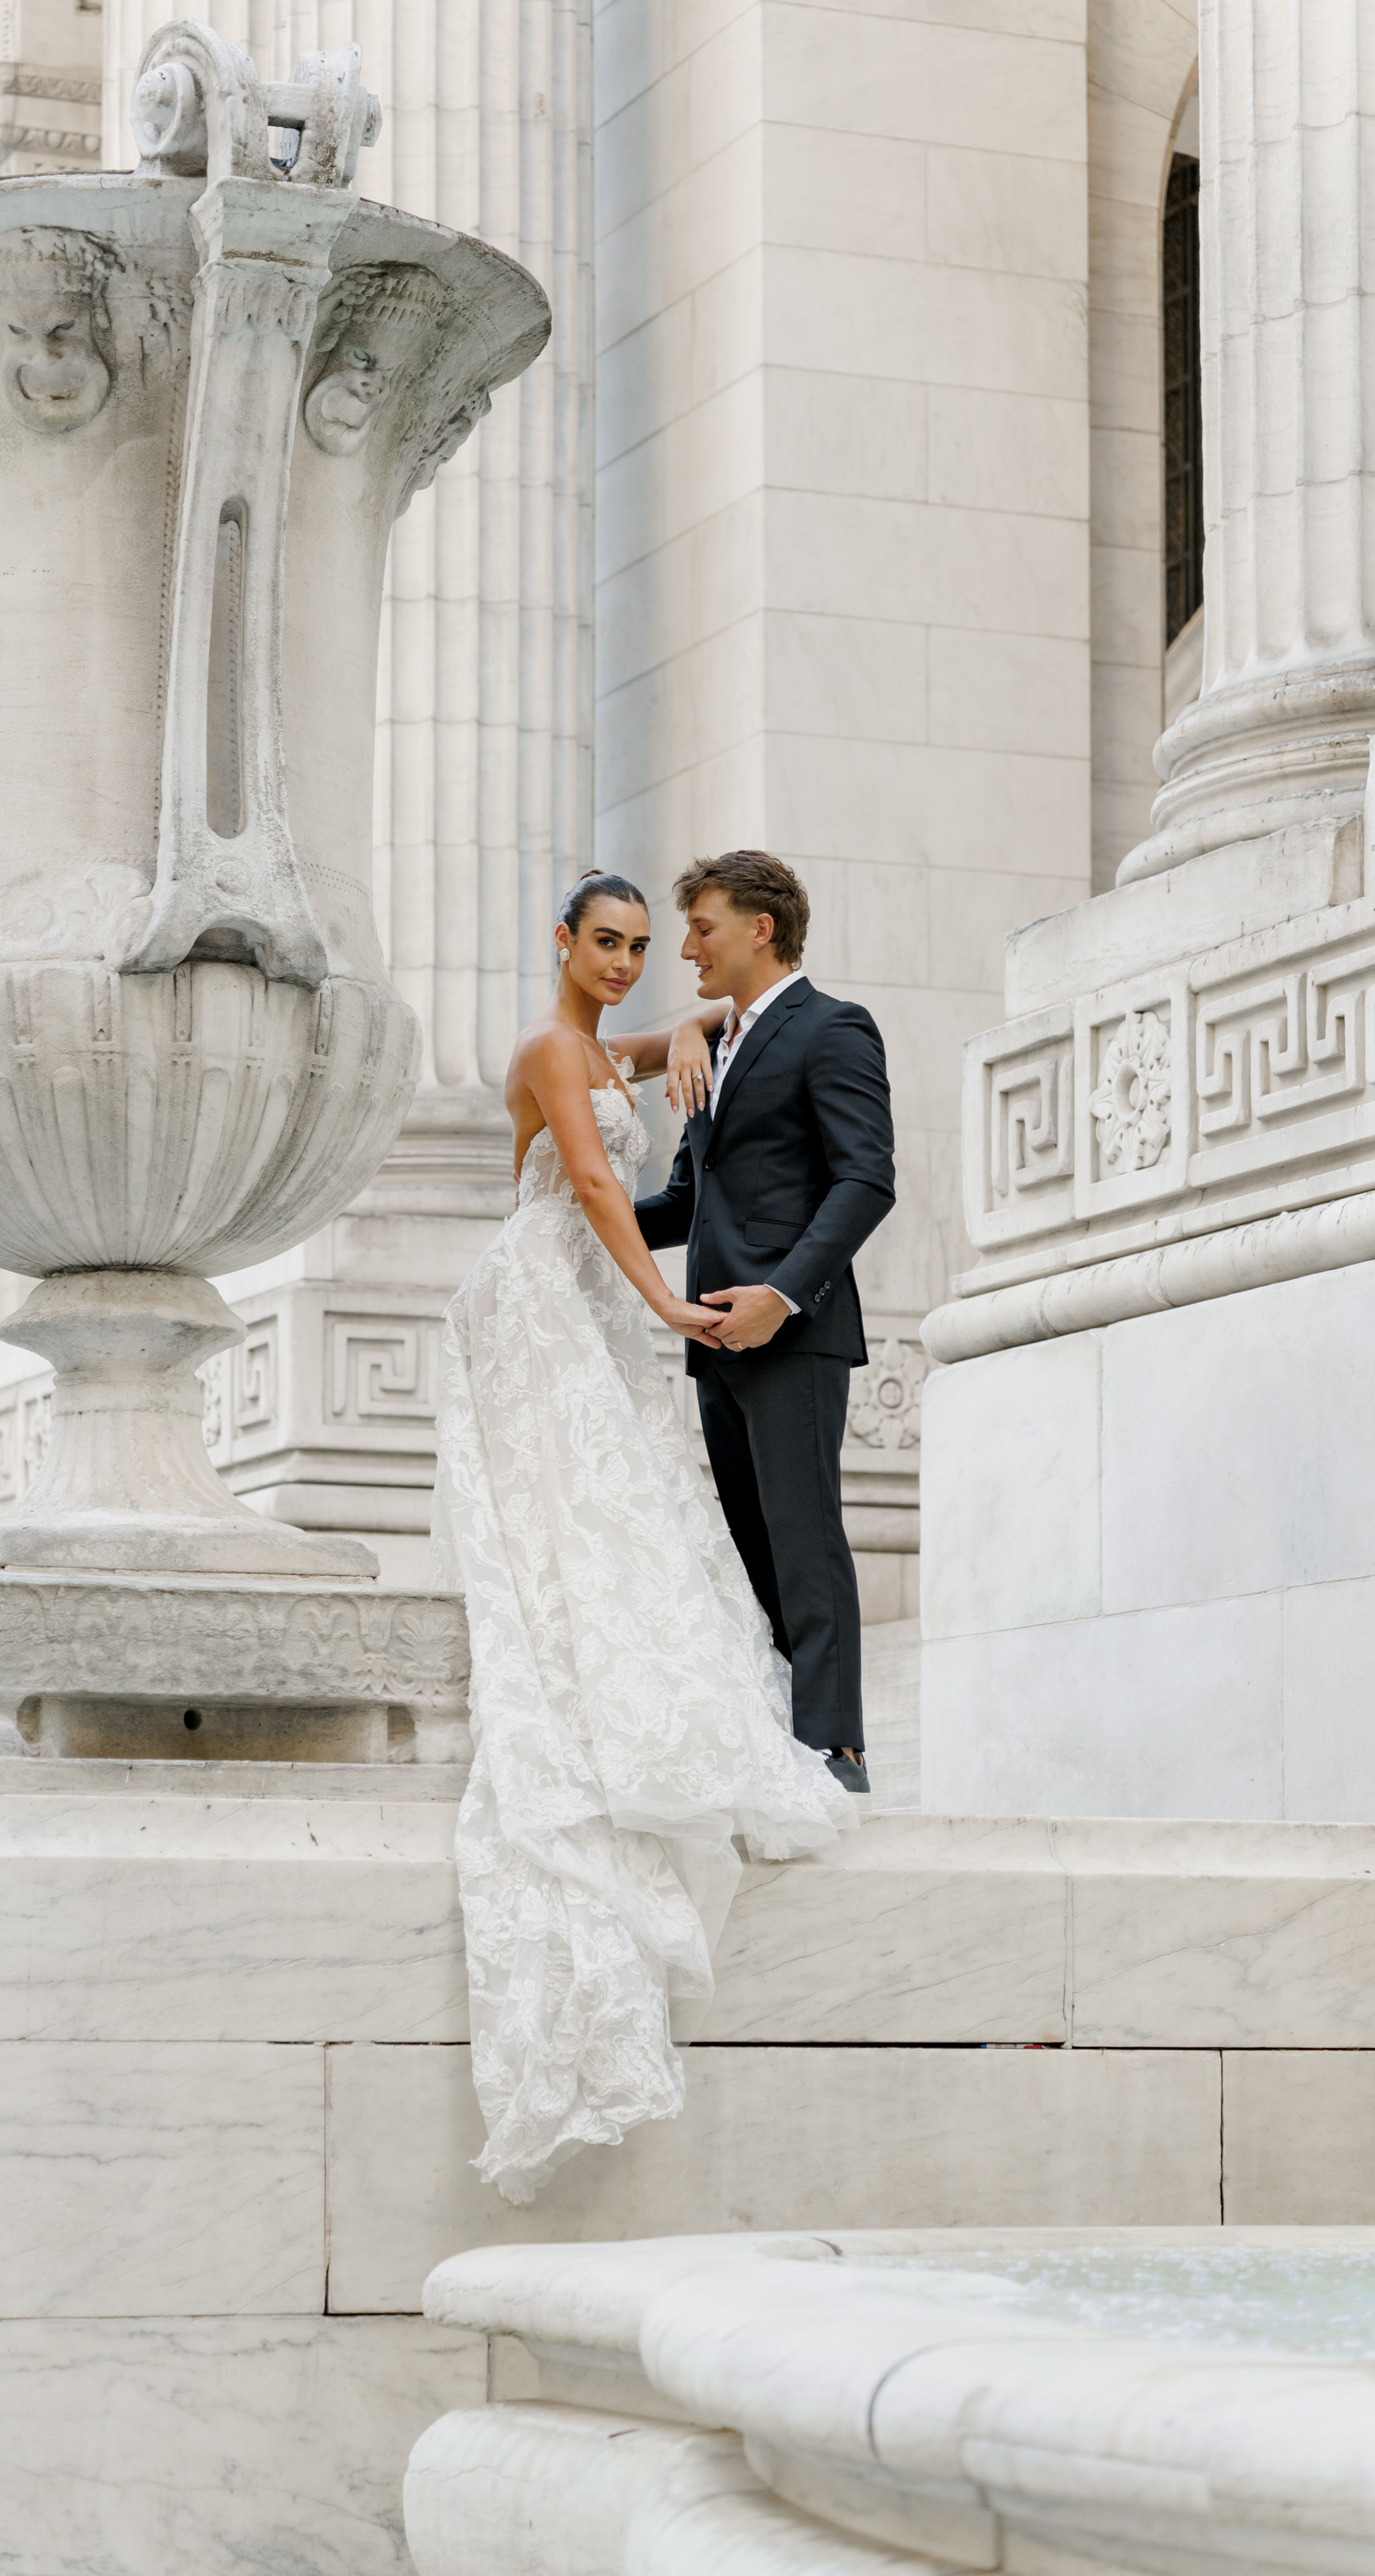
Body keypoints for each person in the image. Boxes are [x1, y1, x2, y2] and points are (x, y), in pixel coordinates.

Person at [430, 867, 858, 2206]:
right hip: (548, 1298)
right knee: (575, 1515)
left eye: (644, 945)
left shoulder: (604, 1044)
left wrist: (685, 1036)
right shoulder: (544, 1050)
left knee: (630, 1511)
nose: (629, 962)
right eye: (606, 943)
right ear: (559, 940)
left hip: (593, 1302)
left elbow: (681, 1036)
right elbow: (595, 1186)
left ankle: (799, 1734)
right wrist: (664, 1306)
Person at [635, 851, 896, 1789]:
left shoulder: (835, 1029)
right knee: (750, 1549)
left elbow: (867, 1179)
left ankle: (836, 1749)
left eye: (702, 929)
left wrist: (779, 1298)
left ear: (762, 928)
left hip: (791, 1333)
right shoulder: (714, 1046)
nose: (688, 951)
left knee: (804, 1537)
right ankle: (777, 1741)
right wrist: (578, 1216)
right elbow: (687, 1201)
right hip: (714, 1342)